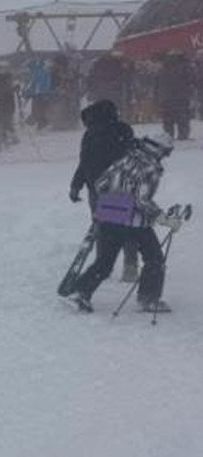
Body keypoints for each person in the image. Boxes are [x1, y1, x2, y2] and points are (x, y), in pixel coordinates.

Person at [69, 132, 178, 313]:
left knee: (104, 263)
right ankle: (148, 299)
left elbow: (100, 184)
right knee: (154, 259)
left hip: (110, 218)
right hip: (136, 223)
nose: (165, 157)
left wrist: (115, 200)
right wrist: (165, 220)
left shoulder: (125, 159)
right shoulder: (151, 168)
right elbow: (142, 201)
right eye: (166, 152)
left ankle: (80, 292)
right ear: (157, 150)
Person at [70, 99, 139, 283]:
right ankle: (129, 264)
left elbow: (84, 163)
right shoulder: (122, 130)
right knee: (127, 227)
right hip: (120, 187)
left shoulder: (90, 134)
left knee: (104, 229)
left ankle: (102, 265)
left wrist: (76, 185)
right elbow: (132, 157)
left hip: (100, 189)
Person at [155, 53, 195, 142]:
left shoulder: (162, 69)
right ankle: (183, 136)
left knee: (167, 120)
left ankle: (169, 136)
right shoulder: (184, 67)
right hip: (181, 97)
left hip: (165, 98)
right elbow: (191, 80)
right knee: (182, 119)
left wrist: (158, 97)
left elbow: (157, 84)